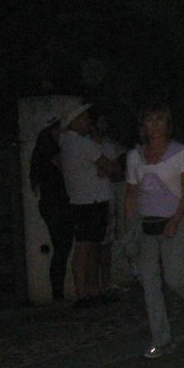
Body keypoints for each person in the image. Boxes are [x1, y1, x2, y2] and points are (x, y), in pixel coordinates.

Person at [125, 104, 184, 357]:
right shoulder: (135, 157)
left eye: (159, 119)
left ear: (167, 124)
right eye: (149, 120)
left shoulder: (181, 153)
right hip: (146, 225)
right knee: (150, 283)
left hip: (172, 221)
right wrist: (128, 227)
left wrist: (176, 219)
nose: (154, 125)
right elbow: (131, 194)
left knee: (175, 277)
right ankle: (162, 339)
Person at [59, 104, 117, 306]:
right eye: (83, 119)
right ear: (74, 123)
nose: (88, 122)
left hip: (80, 199)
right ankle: (85, 292)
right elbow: (110, 165)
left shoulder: (66, 143)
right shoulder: (83, 144)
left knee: (88, 245)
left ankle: (88, 291)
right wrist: (104, 167)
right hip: (91, 200)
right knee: (87, 247)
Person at [29, 117, 73, 302]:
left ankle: (58, 293)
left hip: (55, 203)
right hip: (55, 204)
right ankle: (57, 294)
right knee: (62, 247)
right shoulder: (48, 148)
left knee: (62, 247)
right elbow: (65, 168)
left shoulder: (42, 150)